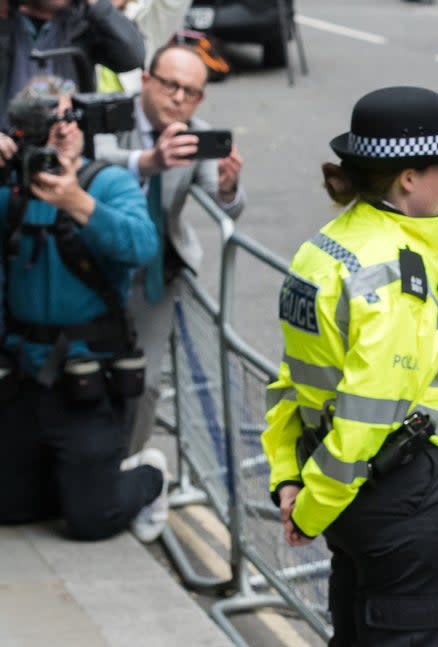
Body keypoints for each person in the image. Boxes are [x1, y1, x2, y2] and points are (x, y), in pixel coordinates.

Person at [261, 86, 438, 647]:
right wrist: (311, 507)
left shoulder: (324, 248)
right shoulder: (394, 270)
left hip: (343, 487)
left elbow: (293, 380)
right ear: (407, 177)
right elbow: (368, 413)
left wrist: (290, 479)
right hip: (393, 493)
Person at [0, 75, 168, 542]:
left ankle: (148, 476)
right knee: (11, 510)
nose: (62, 130)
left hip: (86, 377)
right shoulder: (11, 186)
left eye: (70, 118)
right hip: (23, 375)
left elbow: (142, 246)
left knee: (91, 521)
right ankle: (71, 480)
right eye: (47, 122)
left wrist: (79, 204)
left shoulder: (106, 181)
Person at [95, 42, 245, 456]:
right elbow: (96, 155)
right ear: (145, 80)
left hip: (154, 275)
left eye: (191, 92)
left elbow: (225, 201)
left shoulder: (196, 132)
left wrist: (229, 186)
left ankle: (128, 465)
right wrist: (147, 161)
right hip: (91, 268)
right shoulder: (112, 113)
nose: (179, 99)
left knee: (144, 383)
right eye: (170, 86)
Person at [0, 0, 145, 129]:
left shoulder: (82, 23)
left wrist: (97, 4)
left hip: (67, 142)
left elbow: (131, 57)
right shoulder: (7, 20)